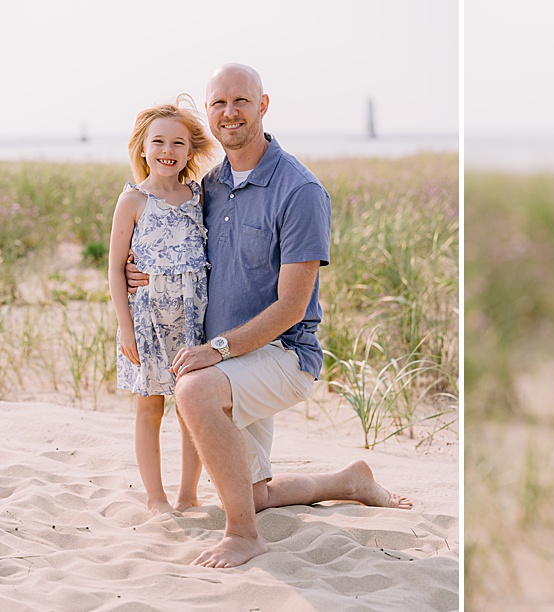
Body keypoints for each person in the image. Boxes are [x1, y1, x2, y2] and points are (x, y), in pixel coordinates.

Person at [127, 63, 411, 569]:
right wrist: (140, 274)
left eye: (240, 101)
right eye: (218, 103)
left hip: (282, 355)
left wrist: (215, 351)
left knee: (194, 390)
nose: (229, 112)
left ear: (263, 105)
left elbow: (291, 307)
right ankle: (350, 481)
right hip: (232, 362)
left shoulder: (299, 191)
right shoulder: (208, 187)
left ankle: (244, 536)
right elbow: (174, 247)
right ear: (209, 114)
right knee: (250, 491)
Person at [108, 97, 217, 516]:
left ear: (190, 151)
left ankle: (188, 493)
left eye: (177, 143)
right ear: (142, 148)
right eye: (158, 142)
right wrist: (125, 327)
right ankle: (156, 498)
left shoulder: (198, 197)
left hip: (194, 320)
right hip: (148, 321)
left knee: (190, 404)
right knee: (151, 405)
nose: (167, 151)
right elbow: (117, 269)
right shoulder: (133, 201)